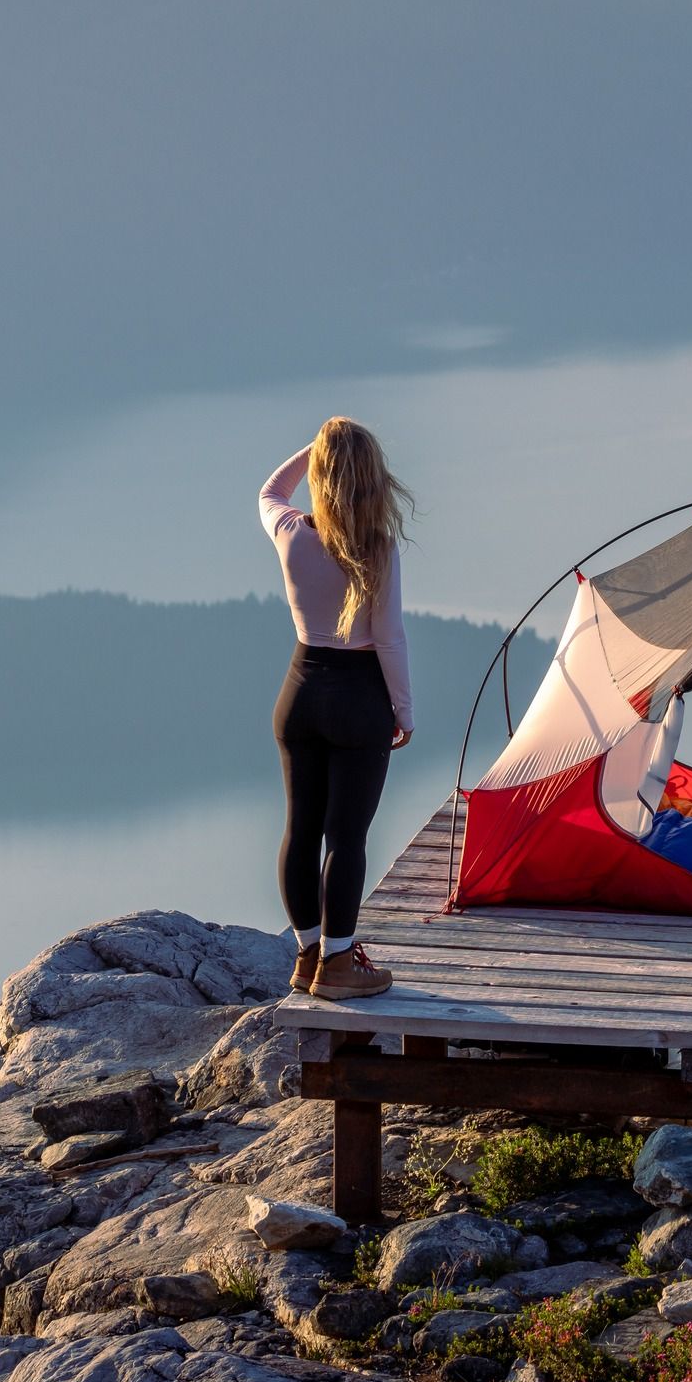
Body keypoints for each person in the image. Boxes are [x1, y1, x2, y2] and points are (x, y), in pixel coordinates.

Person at [261, 418, 414, 1000]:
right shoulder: (378, 547)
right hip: (360, 700)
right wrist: (404, 710)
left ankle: (307, 956)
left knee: (300, 831)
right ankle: (341, 964)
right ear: (374, 479)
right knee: (345, 839)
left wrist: (317, 447)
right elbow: (390, 637)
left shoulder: (290, 531)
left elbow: (269, 491)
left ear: (322, 478)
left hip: (299, 693)